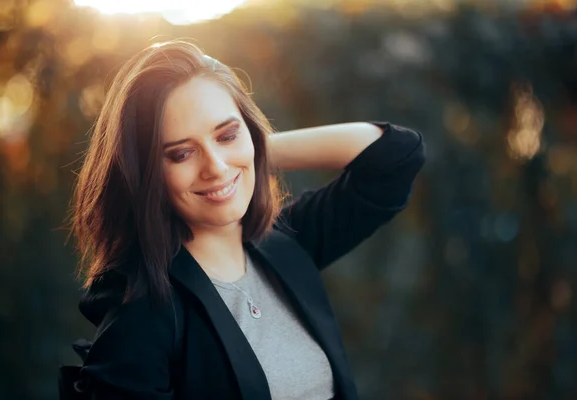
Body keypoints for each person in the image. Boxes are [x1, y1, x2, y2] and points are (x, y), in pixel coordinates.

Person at [70, 40, 425, 400]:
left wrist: (251, 153)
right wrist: (237, 154)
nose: (215, 166)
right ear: (145, 173)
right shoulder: (142, 311)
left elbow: (395, 157)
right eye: (181, 153)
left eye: (227, 135)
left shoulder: (285, 243)